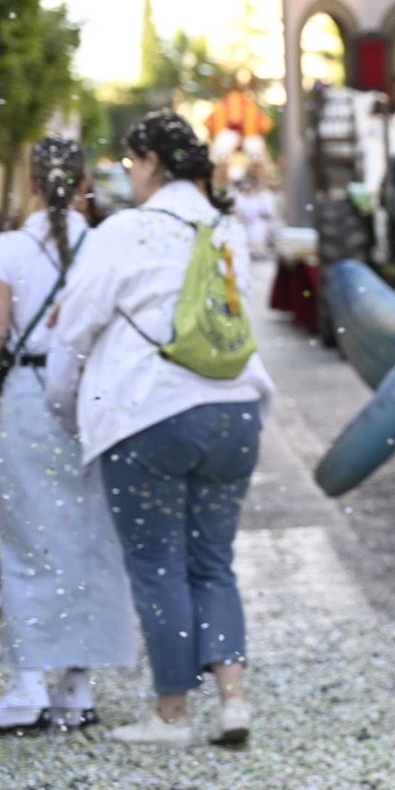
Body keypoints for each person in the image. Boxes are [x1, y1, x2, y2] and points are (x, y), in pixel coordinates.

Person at [52, 113, 275, 749]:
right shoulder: (225, 226)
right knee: (213, 563)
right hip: (236, 411)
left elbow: (76, 329)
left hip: (149, 415)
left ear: (150, 160)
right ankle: (233, 700)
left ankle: (172, 714)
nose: (131, 175)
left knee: (158, 568)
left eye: (130, 164)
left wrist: (65, 406)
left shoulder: (123, 230)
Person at [0, 137, 135, 732]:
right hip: (94, 401)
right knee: (91, 537)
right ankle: (77, 688)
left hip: (32, 399)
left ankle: (27, 685)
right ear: (85, 181)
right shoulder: (102, 243)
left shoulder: (10, 246)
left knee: (30, 537)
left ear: (33, 182)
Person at [232, 175, 278, 259]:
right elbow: (237, 211)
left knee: (259, 231)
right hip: (244, 223)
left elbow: (264, 212)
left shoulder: (260, 198)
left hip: (257, 223)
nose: (248, 190)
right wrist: (243, 218)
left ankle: (259, 251)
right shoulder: (239, 198)